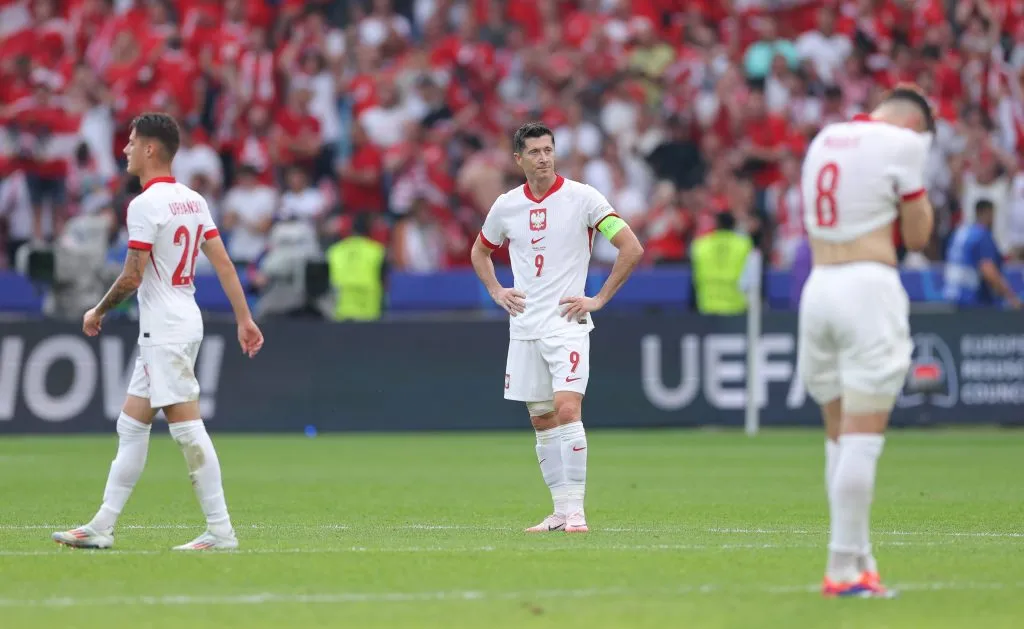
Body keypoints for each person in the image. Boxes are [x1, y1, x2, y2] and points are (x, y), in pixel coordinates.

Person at [52, 113, 264, 551]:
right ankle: (102, 525)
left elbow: (132, 276)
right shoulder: (193, 200)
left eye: (131, 143)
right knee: (131, 425)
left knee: (188, 429)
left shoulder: (144, 205)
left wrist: (97, 310)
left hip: (165, 329)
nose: (125, 150)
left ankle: (221, 530)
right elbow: (223, 263)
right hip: (179, 320)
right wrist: (244, 318)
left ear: (151, 149)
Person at [470, 122, 644, 534]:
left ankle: (578, 511)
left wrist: (598, 298)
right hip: (525, 326)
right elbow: (480, 252)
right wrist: (497, 291)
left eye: (549, 150)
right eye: (534, 152)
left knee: (568, 409)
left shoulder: (584, 198)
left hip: (568, 323)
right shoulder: (506, 206)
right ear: (519, 159)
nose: (544, 157)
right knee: (542, 419)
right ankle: (559, 511)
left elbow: (631, 247)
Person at [797, 86, 936, 597]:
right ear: (915, 126)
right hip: (868, 286)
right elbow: (918, 236)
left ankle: (860, 560)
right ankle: (841, 571)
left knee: (837, 435)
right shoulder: (904, 144)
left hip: (819, 288)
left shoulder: (825, 139)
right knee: (863, 436)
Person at [943, 199, 1022, 309]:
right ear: (988, 213)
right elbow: (987, 269)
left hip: (953, 296)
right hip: (974, 301)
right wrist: (1011, 297)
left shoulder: (960, 232)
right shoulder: (982, 236)